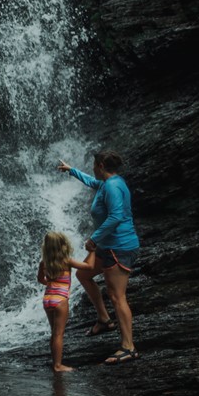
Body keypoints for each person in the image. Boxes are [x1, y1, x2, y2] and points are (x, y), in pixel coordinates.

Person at [57, 151, 141, 365]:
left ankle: (128, 347)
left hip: (119, 247)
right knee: (83, 274)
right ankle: (104, 319)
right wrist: (71, 171)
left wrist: (93, 239)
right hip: (108, 246)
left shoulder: (112, 187)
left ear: (101, 165)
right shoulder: (108, 182)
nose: (92, 167)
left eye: (94, 164)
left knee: (117, 296)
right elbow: (92, 182)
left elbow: (116, 216)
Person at [37, 230, 96, 372]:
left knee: (54, 332)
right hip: (61, 299)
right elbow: (89, 267)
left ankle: (54, 362)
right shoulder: (66, 260)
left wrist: (51, 284)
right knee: (59, 334)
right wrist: (92, 252)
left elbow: (40, 280)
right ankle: (58, 365)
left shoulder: (43, 263)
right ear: (63, 245)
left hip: (48, 299)